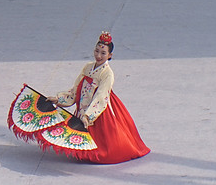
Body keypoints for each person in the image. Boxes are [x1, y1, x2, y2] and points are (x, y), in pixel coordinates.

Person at [46, 32, 150, 164]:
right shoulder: (88, 67)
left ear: (110, 55)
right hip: (83, 105)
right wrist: (58, 99)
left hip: (97, 110)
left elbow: (101, 96)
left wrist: (88, 116)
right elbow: (76, 89)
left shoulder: (107, 74)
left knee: (103, 146)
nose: (98, 55)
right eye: (97, 51)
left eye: (103, 53)